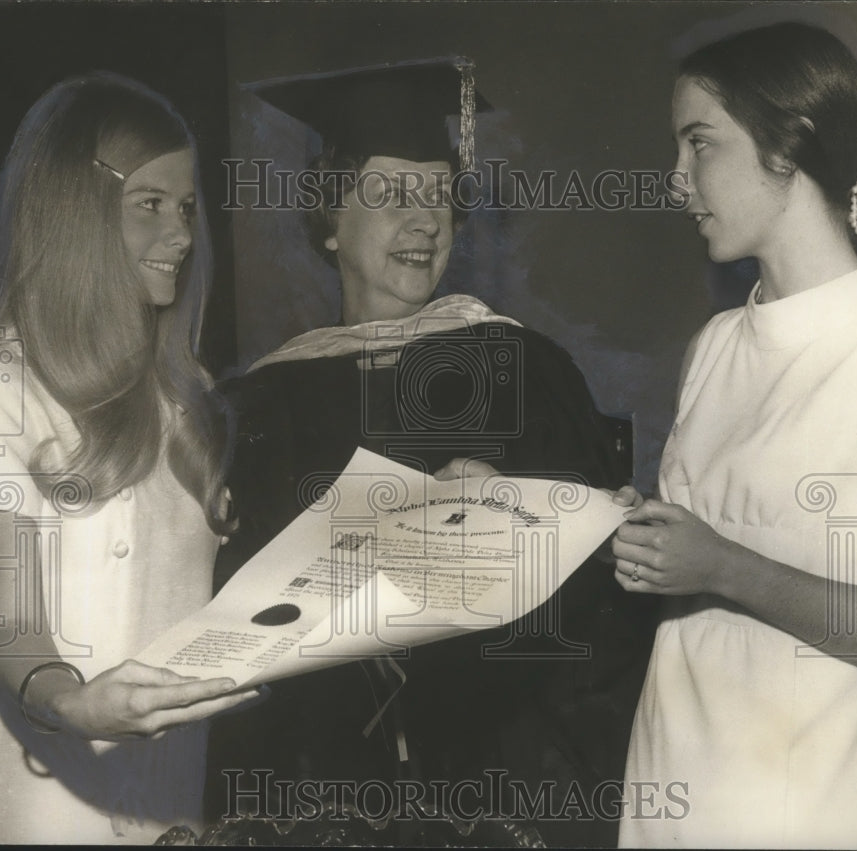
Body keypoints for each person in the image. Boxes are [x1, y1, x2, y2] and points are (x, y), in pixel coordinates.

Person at [206, 58, 655, 845]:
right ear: (328, 218)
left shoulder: (523, 369)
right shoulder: (263, 401)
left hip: (501, 772)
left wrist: (508, 520)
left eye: (438, 193)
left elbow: (605, 604)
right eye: (390, 195)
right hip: (326, 782)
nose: (424, 219)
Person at [610, 23, 857, 848]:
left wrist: (723, 564)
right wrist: (632, 528)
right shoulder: (716, 344)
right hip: (666, 781)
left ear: (787, 149)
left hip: (796, 809)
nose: (675, 179)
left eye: (699, 145)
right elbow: (705, 546)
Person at [0, 72, 261, 844]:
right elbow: (15, 633)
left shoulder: (190, 402)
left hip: (172, 794)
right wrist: (81, 702)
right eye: (149, 204)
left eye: (186, 207)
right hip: (51, 802)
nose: (183, 236)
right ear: (74, 212)